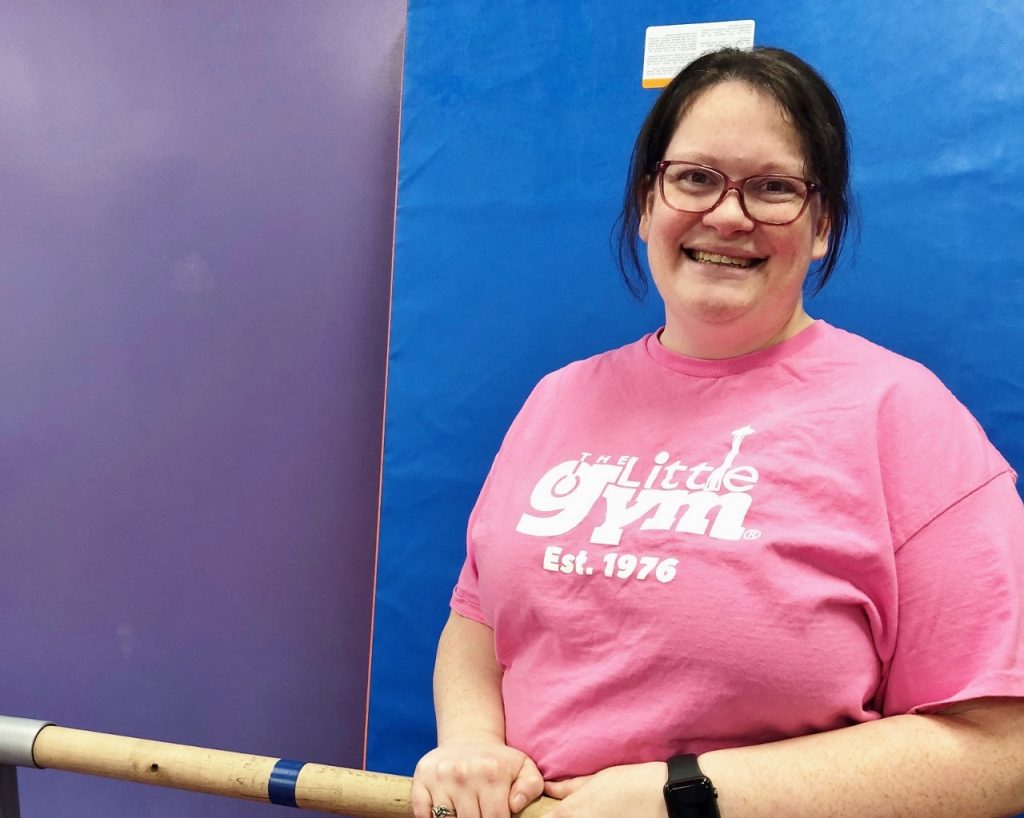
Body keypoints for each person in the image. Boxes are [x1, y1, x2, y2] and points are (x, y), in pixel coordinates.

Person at [410, 47, 1024, 818]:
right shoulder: (557, 400)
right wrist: (470, 743)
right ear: (647, 203)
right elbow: (477, 621)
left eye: (772, 188)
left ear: (823, 223)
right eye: (695, 178)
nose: (727, 215)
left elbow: (1003, 750)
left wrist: (679, 796)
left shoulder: (906, 419)